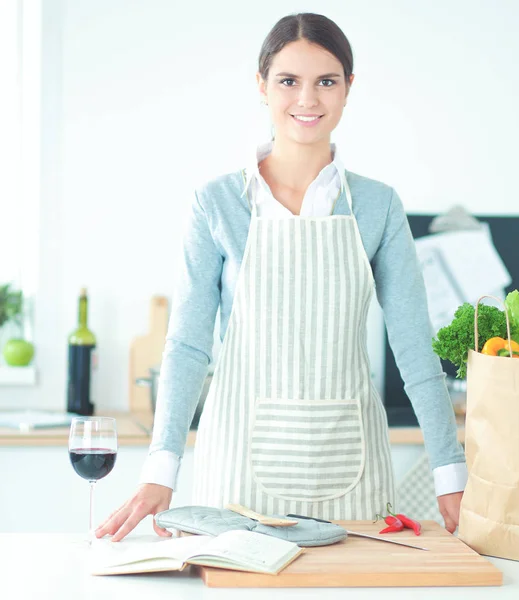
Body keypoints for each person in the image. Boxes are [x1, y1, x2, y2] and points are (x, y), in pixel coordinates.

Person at [96, 12, 466, 543]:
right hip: (238, 467)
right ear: (262, 87)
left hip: (351, 468)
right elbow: (188, 345)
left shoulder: (379, 206)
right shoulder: (217, 203)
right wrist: (161, 469)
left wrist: (449, 473)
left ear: (348, 89)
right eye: (289, 81)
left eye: (326, 81)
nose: (307, 100)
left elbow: (412, 346)